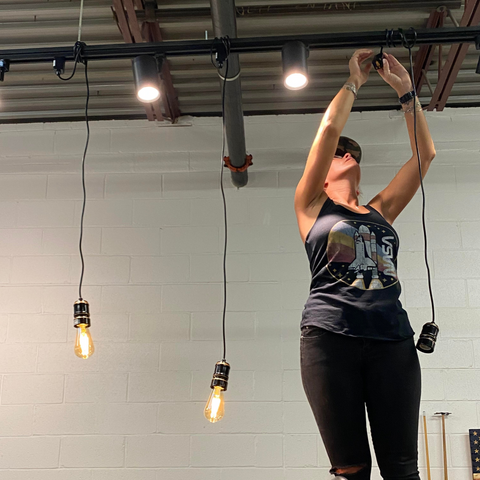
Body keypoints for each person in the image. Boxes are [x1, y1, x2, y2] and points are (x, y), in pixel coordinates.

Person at [294, 49, 436, 480]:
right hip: (329, 339)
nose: (347, 153)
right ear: (321, 172)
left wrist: (406, 93)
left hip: (392, 340)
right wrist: (354, 81)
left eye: (353, 151)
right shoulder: (311, 205)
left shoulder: (381, 211)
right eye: (339, 153)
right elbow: (329, 129)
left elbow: (425, 155)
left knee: (402, 468)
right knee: (352, 469)